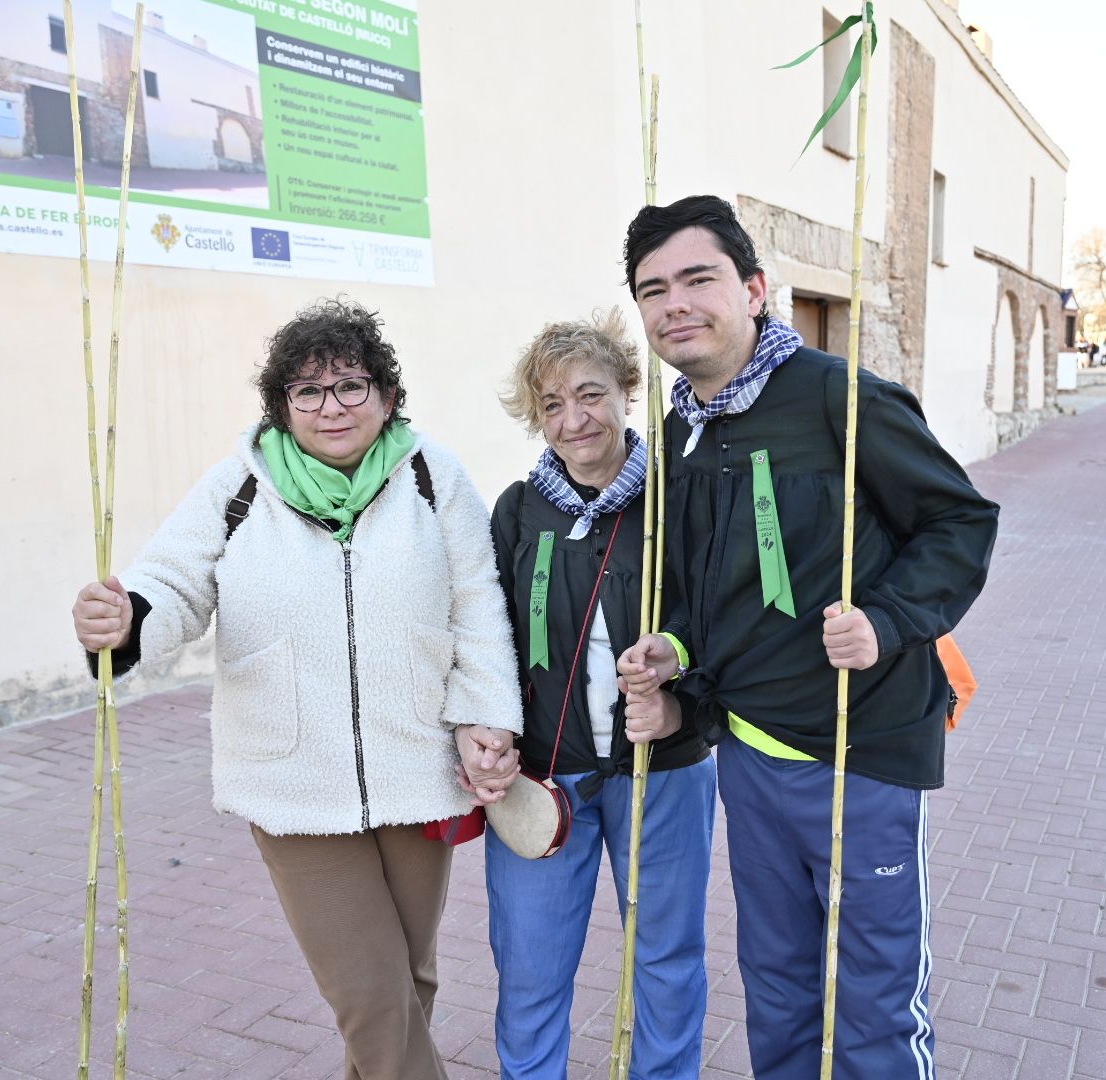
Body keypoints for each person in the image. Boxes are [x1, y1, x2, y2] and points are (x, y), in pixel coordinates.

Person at [71, 299, 522, 1080]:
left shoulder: (429, 475)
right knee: (373, 998)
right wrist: (128, 616)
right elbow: (172, 582)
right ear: (281, 407)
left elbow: (477, 602)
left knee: (407, 983)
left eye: (350, 385)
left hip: (420, 768)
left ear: (387, 395)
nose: (331, 407)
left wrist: (485, 715)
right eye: (307, 392)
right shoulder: (238, 485)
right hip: (292, 781)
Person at [615, 195, 999, 1079]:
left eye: (698, 278)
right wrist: (670, 651)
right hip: (749, 754)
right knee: (779, 986)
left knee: (873, 996)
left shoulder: (840, 398)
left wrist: (889, 620)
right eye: (653, 288)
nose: (676, 303)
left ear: (754, 289)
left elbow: (958, 522)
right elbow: (696, 592)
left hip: (859, 749)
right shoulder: (680, 432)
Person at [486, 312, 716, 1079]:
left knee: (667, 962)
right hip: (545, 775)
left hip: (666, 771)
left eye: (589, 394)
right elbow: (485, 637)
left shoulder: (679, 497)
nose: (573, 418)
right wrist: (482, 729)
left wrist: (678, 684)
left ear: (626, 389)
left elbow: (722, 619)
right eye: (551, 404)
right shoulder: (520, 510)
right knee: (529, 967)